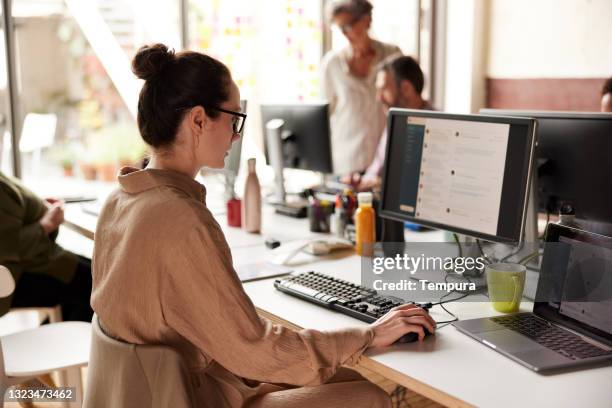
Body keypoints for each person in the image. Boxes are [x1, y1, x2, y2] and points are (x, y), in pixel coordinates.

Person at [91, 44, 435, 408]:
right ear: (197, 120)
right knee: (368, 396)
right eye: (233, 119)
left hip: (142, 390)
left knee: (343, 375)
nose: (236, 135)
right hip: (181, 396)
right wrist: (367, 334)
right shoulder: (181, 219)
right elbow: (256, 351)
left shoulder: (120, 199)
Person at [0, 171, 93, 321]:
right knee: (97, 283)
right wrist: (46, 224)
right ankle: (73, 340)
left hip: (30, 263)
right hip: (17, 274)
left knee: (93, 274)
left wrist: (34, 206)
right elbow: (8, 247)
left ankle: (59, 331)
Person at [322, 0, 401, 175]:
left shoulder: (392, 55)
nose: (344, 33)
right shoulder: (332, 64)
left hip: (384, 165)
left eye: (348, 26)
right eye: (339, 28)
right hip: (346, 165)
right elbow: (325, 116)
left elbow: (403, 106)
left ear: (366, 20)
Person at [352, 55, 434, 191]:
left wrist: (382, 184)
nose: (378, 97)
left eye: (384, 88)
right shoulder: (395, 122)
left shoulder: (439, 127)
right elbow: (376, 169)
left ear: (406, 88)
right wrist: (362, 181)